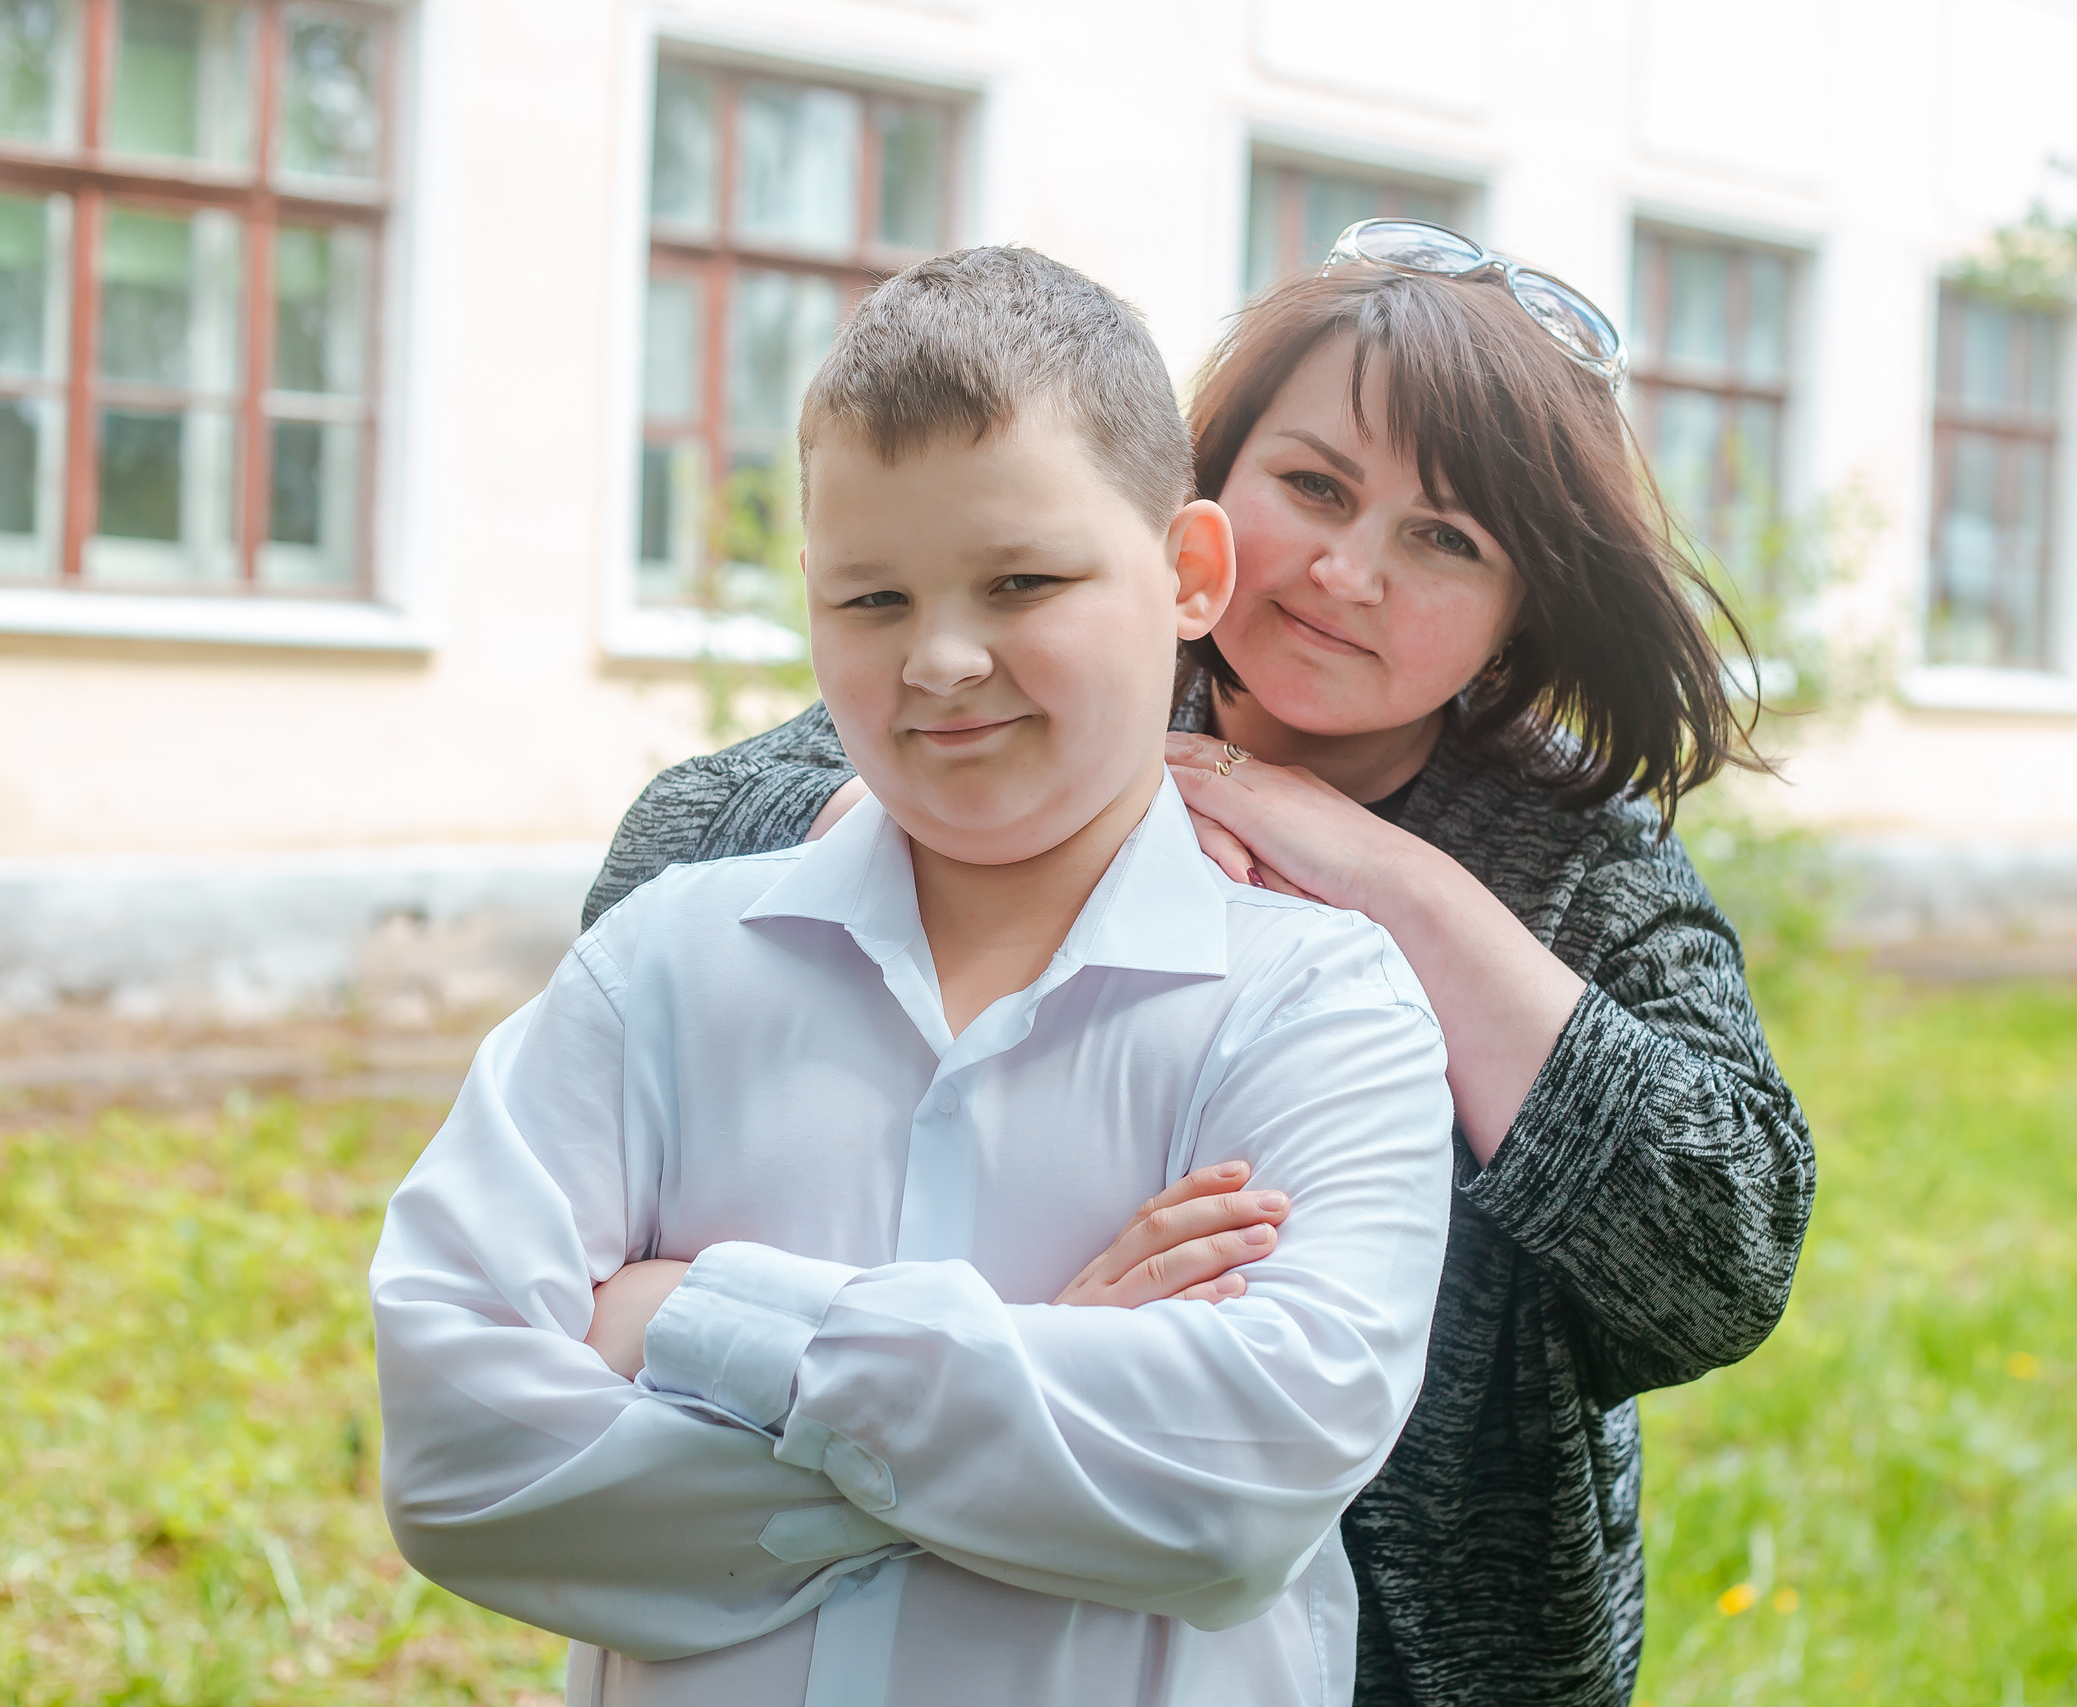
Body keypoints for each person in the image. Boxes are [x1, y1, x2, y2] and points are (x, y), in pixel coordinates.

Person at [582, 221, 1818, 1707]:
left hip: (1425, 1664)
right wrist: (995, 809)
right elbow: (674, 873)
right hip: (930, 1617)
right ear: (1202, 498)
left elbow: (1722, 1257)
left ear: (1519, 610)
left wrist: (1385, 878)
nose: (1347, 571)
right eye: (1314, 485)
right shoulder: (1029, 683)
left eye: (1446, 539)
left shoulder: (1571, 865)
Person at [371, 246, 1457, 1707]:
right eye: (872, 602)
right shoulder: (663, 968)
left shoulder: (1324, 1011)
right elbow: (461, 1460)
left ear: (1191, 574)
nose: (941, 660)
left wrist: (705, 1322)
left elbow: (1237, 1495)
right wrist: (1048, 1384)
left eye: (1021, 582)